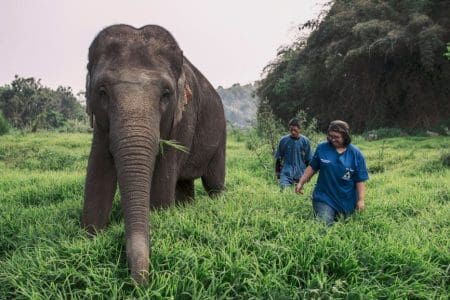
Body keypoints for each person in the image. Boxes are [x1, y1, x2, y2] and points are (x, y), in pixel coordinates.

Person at [295, 120, 369, 226]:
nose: (333, 139)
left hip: (346, 199)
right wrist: (301, 182)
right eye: (330, 136)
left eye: (336, 137)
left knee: (346, 225)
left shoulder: (356, 154)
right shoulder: (322, 148)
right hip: (324, 196)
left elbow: (360, 180)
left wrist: (361, 200)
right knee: (324, 224)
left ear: (345, 136)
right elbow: (312, 167)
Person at [275, 118, 312, 190]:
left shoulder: (305, 141)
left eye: (295, 130)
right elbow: (279, 157)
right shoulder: (283, 140)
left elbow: (308, 160)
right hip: (286, 172)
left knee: (299, 194)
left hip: (300, 173)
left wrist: (308, 175)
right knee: (284, 190)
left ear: (300, 129)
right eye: (291, 130)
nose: (293, 132)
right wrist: (277, 171)